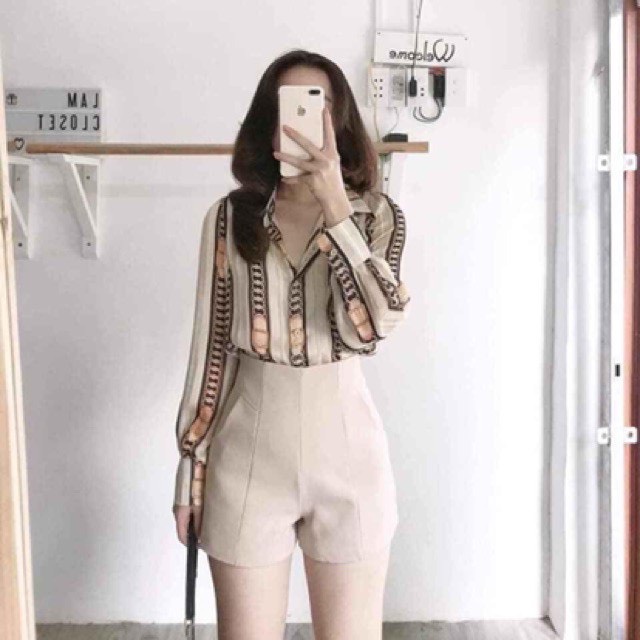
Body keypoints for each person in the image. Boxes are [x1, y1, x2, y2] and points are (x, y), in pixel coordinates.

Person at [171, 48, 411, 640]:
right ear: (269, 120)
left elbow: (372, 328)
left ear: (339, 119)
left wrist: (336, 208)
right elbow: (211, 351)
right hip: (248, 454)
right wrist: (190, 474)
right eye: (290, 105)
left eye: (318, 103)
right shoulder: (229, 219)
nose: (303, 119)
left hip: (350, 454)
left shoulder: (379, 217)